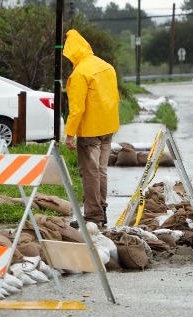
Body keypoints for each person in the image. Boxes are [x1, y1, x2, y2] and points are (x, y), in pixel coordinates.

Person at [62, 29, 120, 228]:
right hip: (108, 127)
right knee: (101, 170)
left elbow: (76, 109)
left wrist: (69, 135)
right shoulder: (106, 67)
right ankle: (101, 209)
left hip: (90, 131)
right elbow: (114, 97)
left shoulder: (80, 73)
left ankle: (93, 215)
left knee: (90, 172)